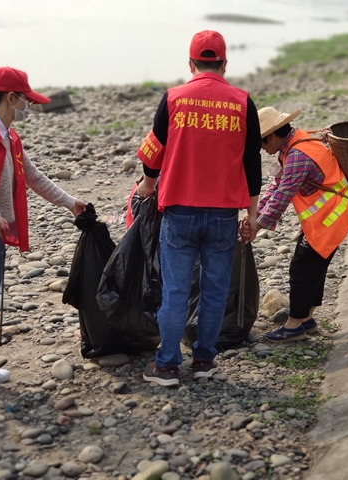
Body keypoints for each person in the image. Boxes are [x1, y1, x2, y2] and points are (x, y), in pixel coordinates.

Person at [0, 67, 87, 397]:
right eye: (26, 99)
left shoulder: (10, 137)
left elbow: (33, 178)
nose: (29, 106)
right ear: (12, 98)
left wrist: (70, 203)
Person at [136, 31, 262, 387]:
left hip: (179, 210)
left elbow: (154, 148)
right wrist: (251, 213)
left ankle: (167, 366)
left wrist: (147, 183)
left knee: (175, 290)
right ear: (224, 63)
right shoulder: (242, 102)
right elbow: (252, 161)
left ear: (190, 64)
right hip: (223, 213)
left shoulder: (174, 98)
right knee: (214, 290)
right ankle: (204, 360)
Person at [254, 107, 348, 342]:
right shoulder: (295, 144)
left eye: (261, 143)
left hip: (331, 218)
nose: (262, 149)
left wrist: (256, 227)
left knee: (301, 269)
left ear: (271, 136)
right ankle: (307, 318)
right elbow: (275, 186)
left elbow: (282, 195)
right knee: (314, 267)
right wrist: (255, 216)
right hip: (330, 215)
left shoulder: (297, 155)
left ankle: (293, 326)